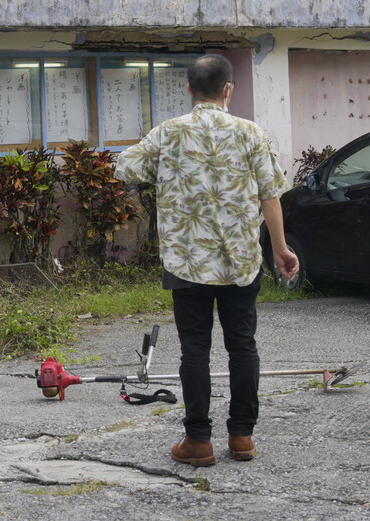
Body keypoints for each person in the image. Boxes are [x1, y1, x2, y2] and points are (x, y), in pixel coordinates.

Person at [114, 53, 299, 468]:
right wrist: (281, 248)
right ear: (228, 89)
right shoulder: (251, 133)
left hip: (186, 263)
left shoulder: (169, 133)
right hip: (240, 262)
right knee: (243, 347)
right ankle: (242, 438)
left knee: (194, 352)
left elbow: (125, 168)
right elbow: (270, 194)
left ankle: (198, 441)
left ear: (189, 90)